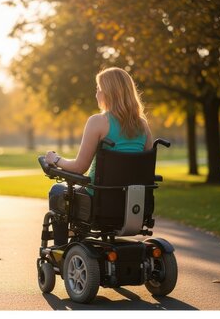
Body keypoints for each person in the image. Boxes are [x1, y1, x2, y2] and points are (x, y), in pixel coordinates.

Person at [44, 67, 153, 246]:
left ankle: (60, 247)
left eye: (98, 89)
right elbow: (144, 167)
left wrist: (55, 159)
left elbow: (80, 167)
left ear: (107, 93)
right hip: (134, 203)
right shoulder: (142, 125)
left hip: (100, 201)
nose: (96, 94)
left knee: (57, 191)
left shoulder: (98, 122)